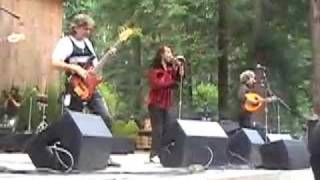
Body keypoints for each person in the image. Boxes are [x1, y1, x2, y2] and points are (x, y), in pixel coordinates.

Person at [51, 13, 119, 167]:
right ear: (76, 27)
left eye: (89, 29)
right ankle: (70, 155)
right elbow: (54, 62)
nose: (88, 32)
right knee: (74, 121)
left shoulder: (88, 43)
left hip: (91, 87)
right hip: (75, 88)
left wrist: (108, 57)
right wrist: (75, 67)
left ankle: (104, 156)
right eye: (85, 28)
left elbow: (94, 67)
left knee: (105, 117)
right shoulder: (66, 43)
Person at [147, 45, 184, 163]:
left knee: (168, 128)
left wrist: (180, 69)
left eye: (171, 52)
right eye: (168, 52)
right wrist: (171, 83)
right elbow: (156, 84)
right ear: (161, 55)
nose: (170, 54)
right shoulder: (154, 69)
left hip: (167, 103)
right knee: (158, 129)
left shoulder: (170, 69)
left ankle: (164, 153)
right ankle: (154, 154)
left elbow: (178, 79)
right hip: (156, 103)